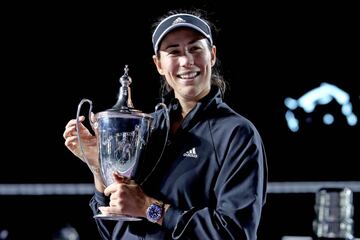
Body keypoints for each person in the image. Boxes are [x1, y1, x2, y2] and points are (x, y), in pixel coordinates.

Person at [63, 9, 267, 240]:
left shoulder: (236, 133)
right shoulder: (148, 128)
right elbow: (113, 230)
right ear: (158, 64)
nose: (186, 61)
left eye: (195, 49)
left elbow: (236, 233)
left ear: (212, 55)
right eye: (174, 51)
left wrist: (150, 208)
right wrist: (99, 167)